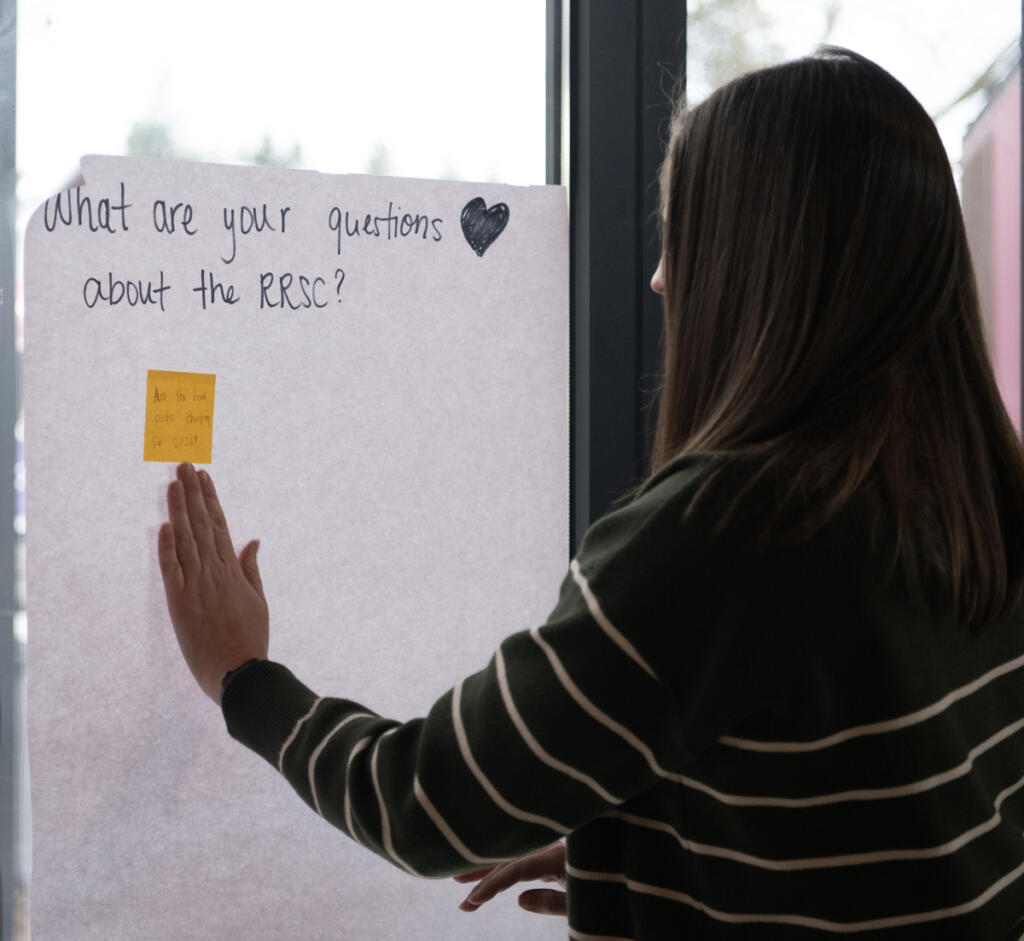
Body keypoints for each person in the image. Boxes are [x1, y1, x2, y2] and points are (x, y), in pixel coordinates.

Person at [158, 47, 1024, 938]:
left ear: (762, 266)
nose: (660, 277)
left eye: (683, 236)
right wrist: (648, 857)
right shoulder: (977, 497)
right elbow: (883, 825)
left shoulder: (725, 534)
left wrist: (244, 678)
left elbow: (427, 803)